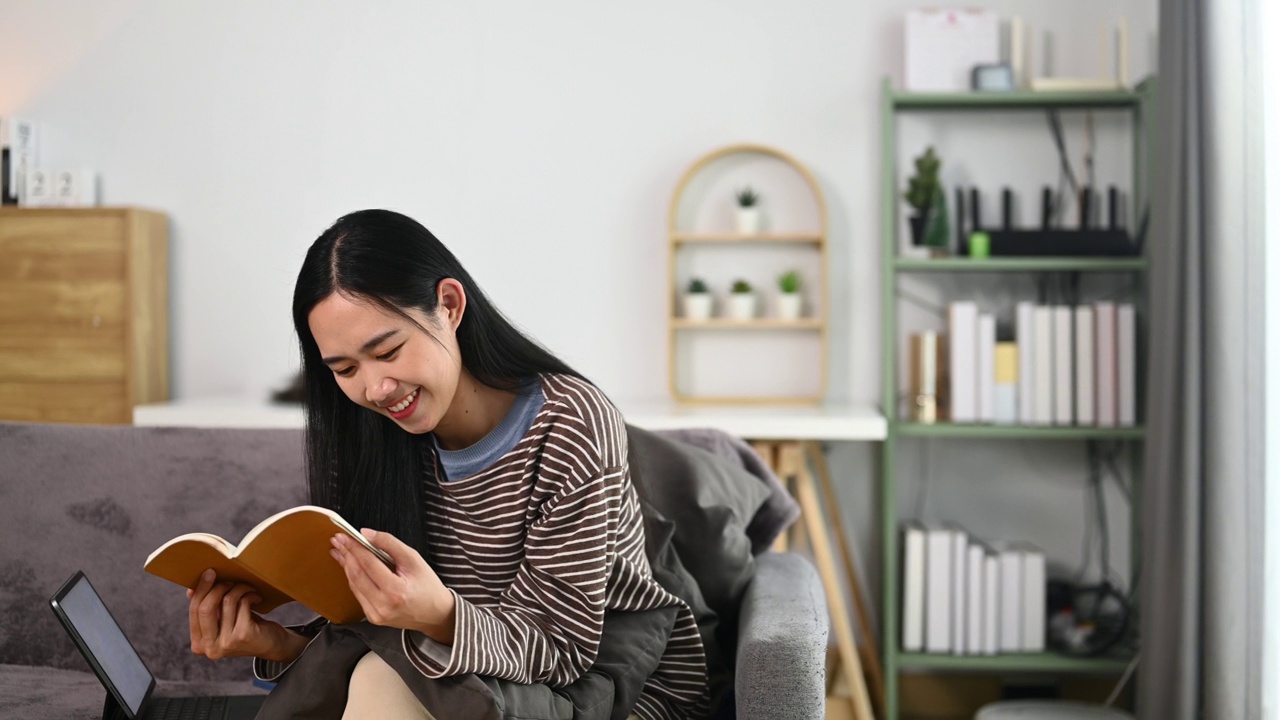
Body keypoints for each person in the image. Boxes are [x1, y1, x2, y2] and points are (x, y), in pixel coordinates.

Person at [183, 209, 709, 719]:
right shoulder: (372, 433)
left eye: (388, 351)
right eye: (344, 369)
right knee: (375, 676)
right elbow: (380, 631)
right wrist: (275, 643)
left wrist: (439, 613)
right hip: (459, 681)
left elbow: (561, 650)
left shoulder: (568, 423)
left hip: (611, 687)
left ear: (450, 305)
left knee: (378, 680)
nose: (375, 389)